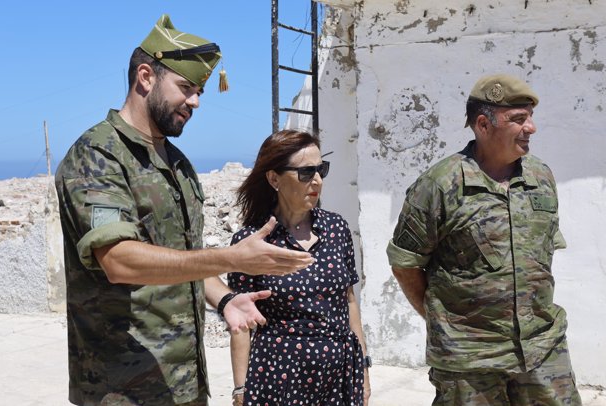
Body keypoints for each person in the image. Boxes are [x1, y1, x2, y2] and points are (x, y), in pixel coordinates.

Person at [54, 15, 314, 406]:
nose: (195, 102)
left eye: (200, 92)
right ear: (145, 77)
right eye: (186, 88)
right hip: (122, 388)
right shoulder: (99, 155)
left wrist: (226, 299)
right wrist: (231, 258)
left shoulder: (177, 163)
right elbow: (119, 261)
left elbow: (181, 258)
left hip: (184, 383)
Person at [387, 74, 582, 405]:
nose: (531, 128)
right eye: (519, 119)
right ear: (483, 124)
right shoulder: (439, 185)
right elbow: (405, 263)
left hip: (542, 348)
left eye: (531, 117)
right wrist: (447, 324)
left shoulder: (540, 178)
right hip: (469, 360)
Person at [224, 130, 371, 406]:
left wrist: (363, 368)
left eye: (320, 170)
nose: (316, 180)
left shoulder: (337, 229)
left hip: (339, 376)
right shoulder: (251, 242)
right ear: (274, 178)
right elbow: (241, 323)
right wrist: (240, 388)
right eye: (305, 172)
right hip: (280, 377)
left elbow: (349, 302)